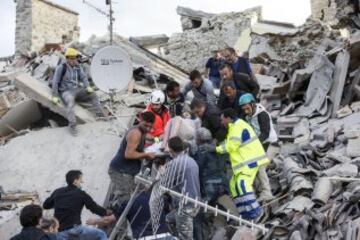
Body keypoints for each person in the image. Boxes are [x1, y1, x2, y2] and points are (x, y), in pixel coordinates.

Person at [215, 109, 269, 220]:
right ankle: (245, 213)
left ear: (228, 118)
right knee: (234, 185)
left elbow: (232, 146)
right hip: (244, 162)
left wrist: (216, 149)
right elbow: (231, 143)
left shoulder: (237, 127)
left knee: (242, 184)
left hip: (250, 161)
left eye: (222, 120)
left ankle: (256, 212)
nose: (221, 122)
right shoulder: (234, 127)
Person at [108, 111, 156, 234]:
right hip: (120, 171)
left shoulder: (143, 132)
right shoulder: (135, 133)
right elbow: (129, 154)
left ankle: (122, 221)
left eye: (151, 126)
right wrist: (145, 154)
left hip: (128, 172)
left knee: (133, 198)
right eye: (146, 125)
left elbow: (141, 146)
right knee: (124, 200)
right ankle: (120, 230)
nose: (149, 128)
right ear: (140, 119)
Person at [51, 48, 104, 136]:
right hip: (66, 92)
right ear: (67, 59)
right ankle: (72, 126)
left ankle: (100, 115)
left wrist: (87, 87)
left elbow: (83, 78)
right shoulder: (61, 68)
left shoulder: (78, 67)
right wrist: (55, 95)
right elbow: (55, 82)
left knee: (93, 94)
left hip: (76, 90)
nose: (73, 60)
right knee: (70, 102)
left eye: (74, 58)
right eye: (70, 58)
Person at [43, 170, 109, 239]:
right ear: (75, 181)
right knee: (101, 234)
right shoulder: (81, 194)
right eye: (80, 180)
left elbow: (46, 205)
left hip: (60, 232)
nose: (82, 182)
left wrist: (59, 202)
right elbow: (94, 207)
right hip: (75, 230)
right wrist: (107, 213)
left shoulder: (57, 192)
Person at [87, 190, 174, 239]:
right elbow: (168, 213)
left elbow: (109, 220)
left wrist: (95, 221)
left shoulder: (128, 203)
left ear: (132, 192)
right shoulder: (158, 199)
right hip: (165, 235)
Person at [239, 93, 278, 202]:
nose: (245, 110)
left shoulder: (262, 115)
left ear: (252, 104)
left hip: (271, 145)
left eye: (247, 107)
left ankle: (267, 192)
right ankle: (257, 191)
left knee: (259, 165)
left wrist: (253, 144)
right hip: (260, 145)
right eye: (243, 109)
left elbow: (265, 133)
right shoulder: (248, 117)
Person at [165, 137, 201, 240]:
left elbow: (165, 185)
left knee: (185, 237)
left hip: (185, 206)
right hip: (196, 202)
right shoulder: (191, 161)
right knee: (168, 219)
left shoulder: (174, 164)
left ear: (171, 150)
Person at [192, 128, 228, 205]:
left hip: (209, 185)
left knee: (204, 207)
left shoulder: (201, 151)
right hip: (223, 182)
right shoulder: (217, 148)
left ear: (199, 139)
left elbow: (198, 168)